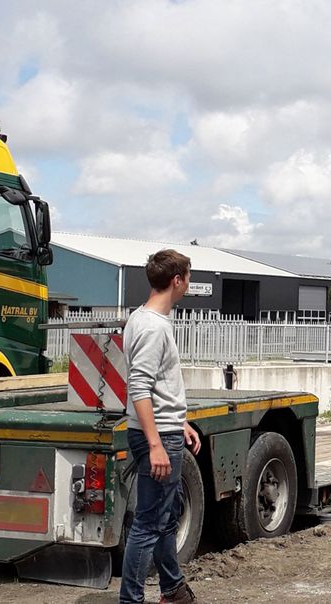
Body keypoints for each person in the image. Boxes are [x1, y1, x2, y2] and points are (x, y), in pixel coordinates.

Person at [120, 250, 202, 604]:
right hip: (156, 438)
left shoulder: (141, 318)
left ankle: (173, 588)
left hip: (164, 429)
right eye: (188, 276)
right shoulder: (154, 327)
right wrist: (156, 443)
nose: (188, 283)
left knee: (166, 516)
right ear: (177, 280)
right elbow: (139, 387)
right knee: (148, 525)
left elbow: (157, 385)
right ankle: (131, 599)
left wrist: (178, 420)